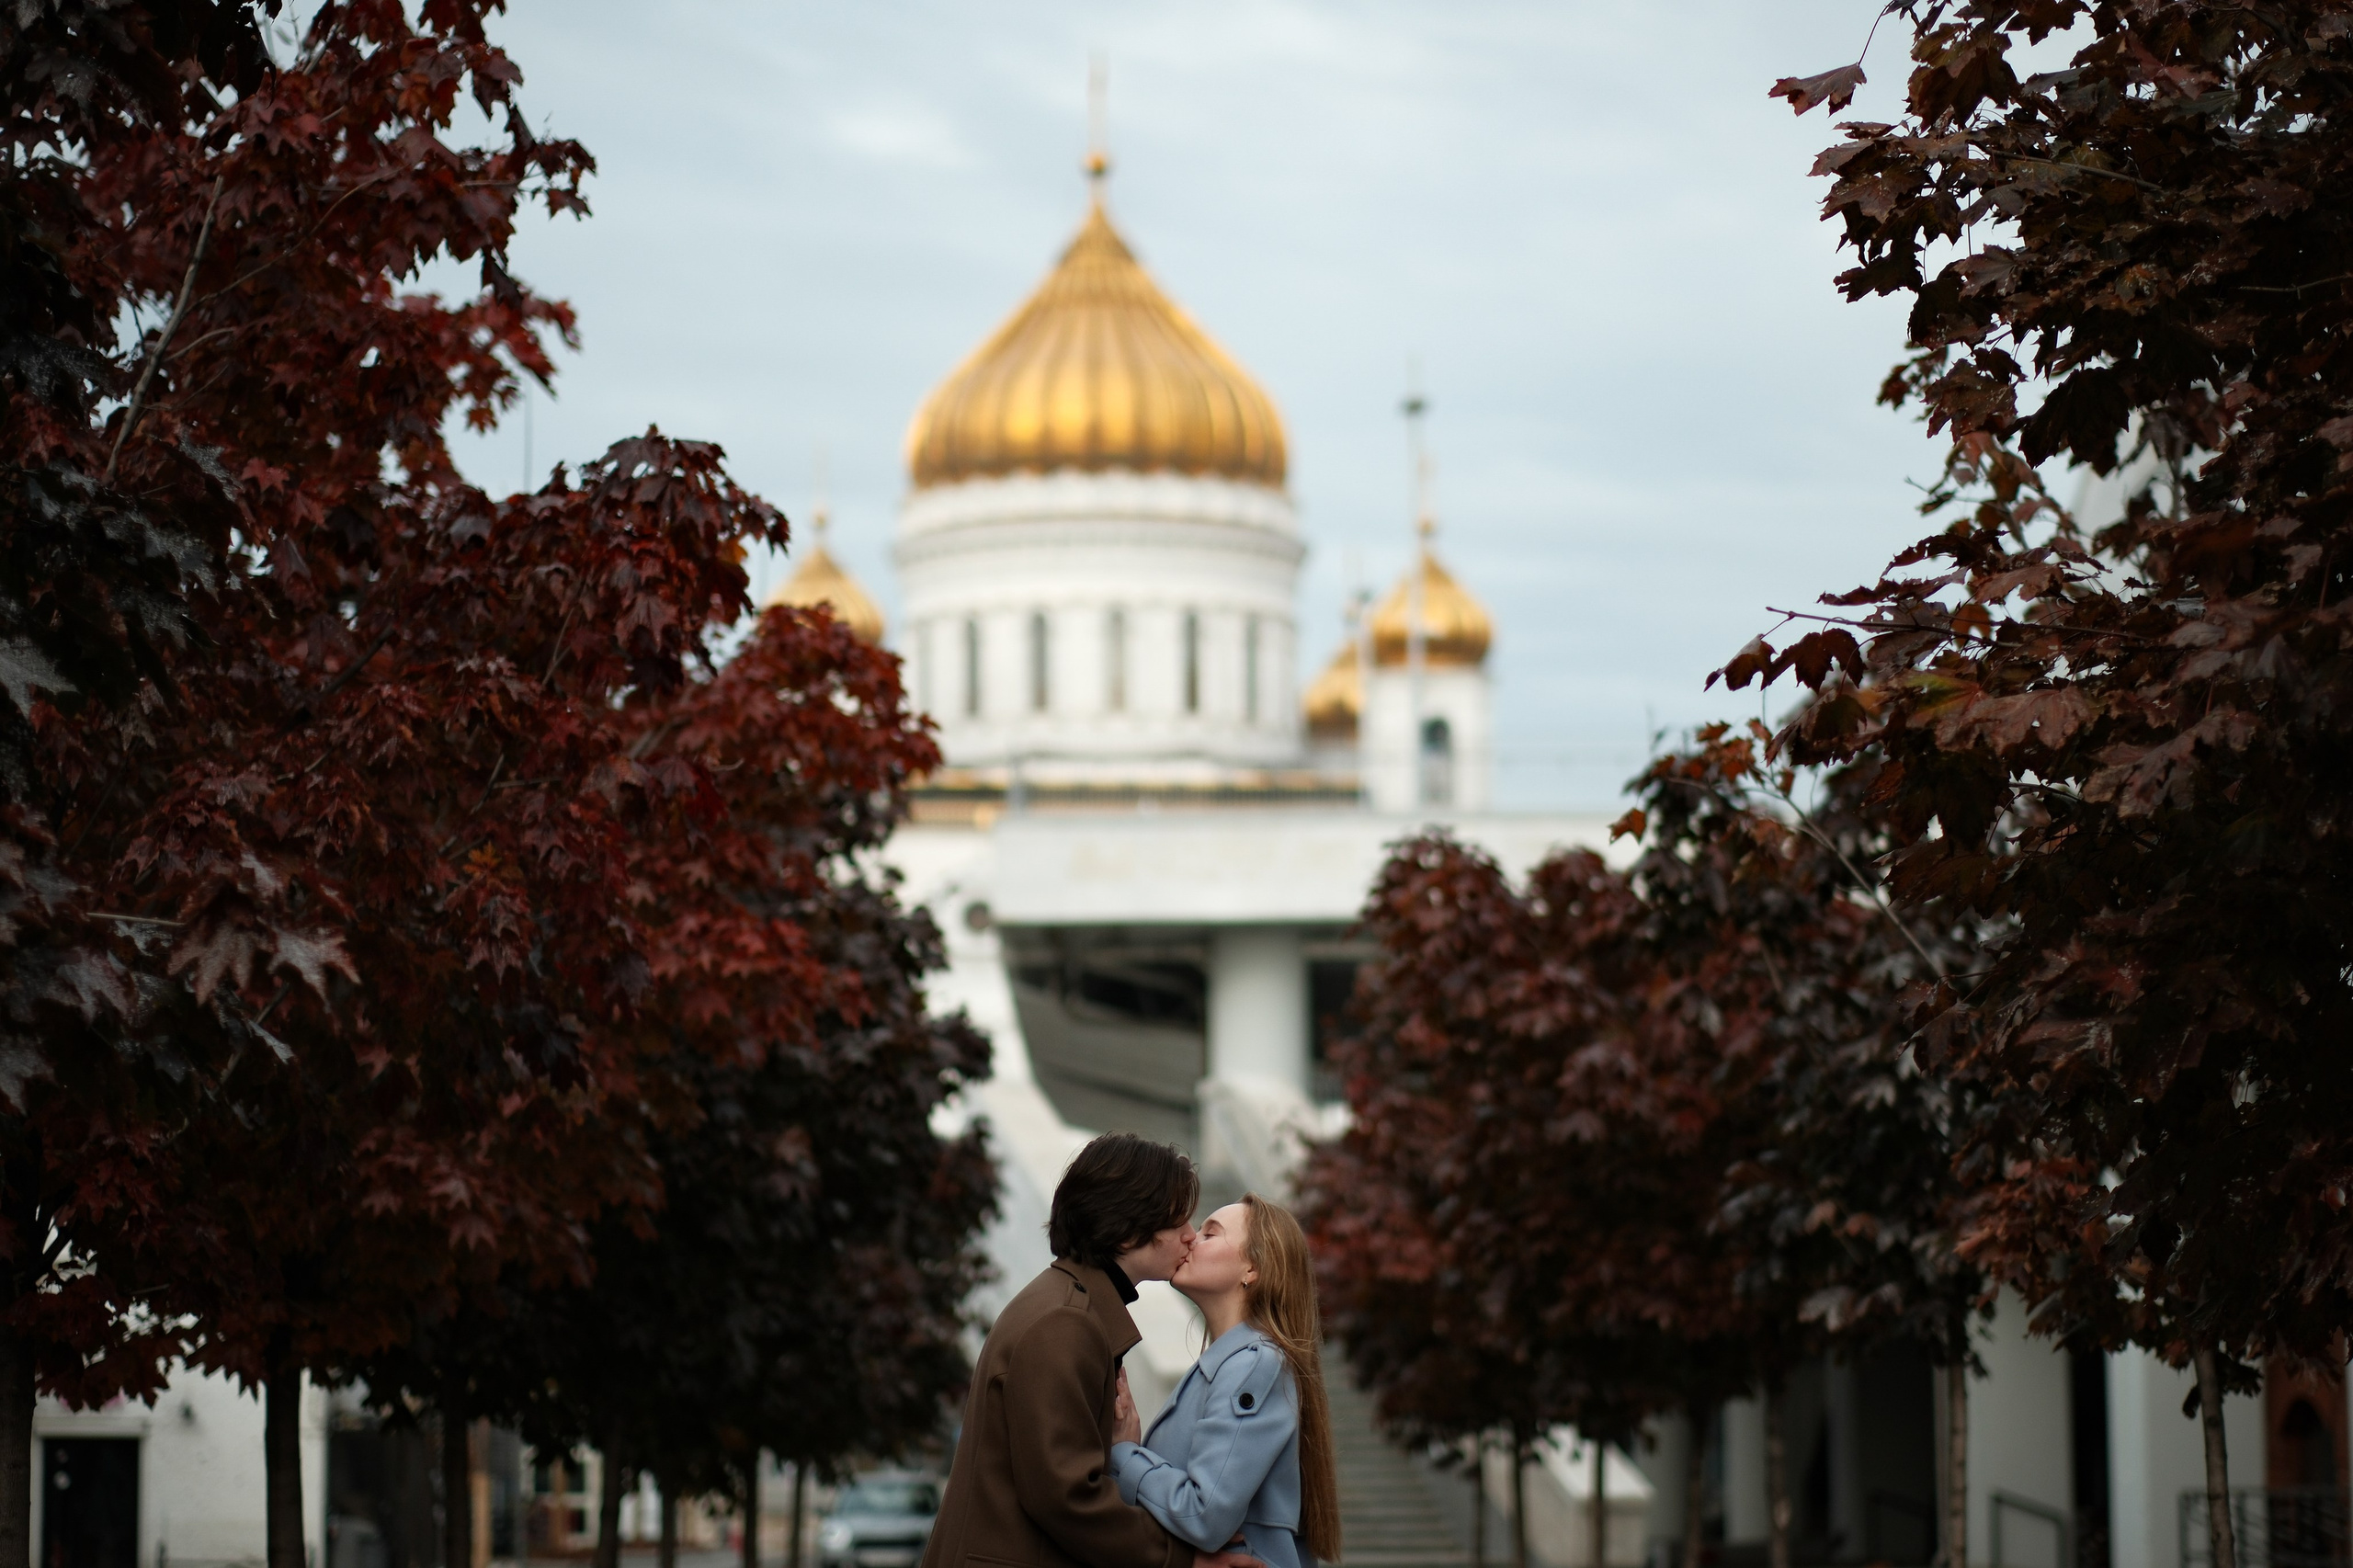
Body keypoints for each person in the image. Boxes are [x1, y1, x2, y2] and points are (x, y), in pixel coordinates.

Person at [923, 1132, 1257, 1568]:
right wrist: (1181, 1559)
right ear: (1127, 1231)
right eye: (1177, 1223)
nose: (1190, 1237)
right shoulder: (1065, 1321)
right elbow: (1066, 1496)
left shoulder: (1067, 1306)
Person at [1108, 1194, 1342, 1568]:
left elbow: (1204, 1515)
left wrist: (1125, 1454)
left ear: (1253, 1269)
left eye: (1209, 1233)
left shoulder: (1253, 1365)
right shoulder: (1231, 1364)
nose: (1189, 1238)